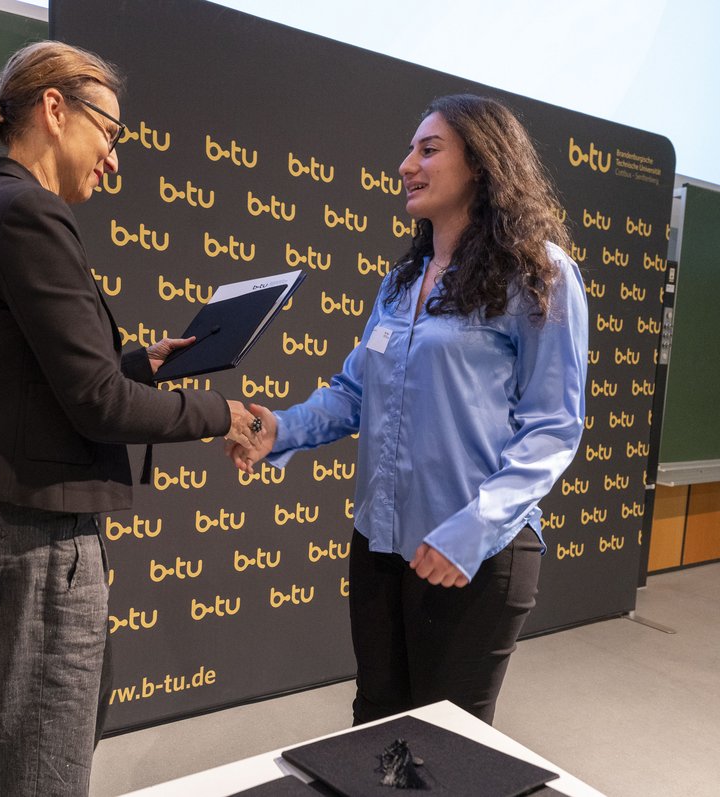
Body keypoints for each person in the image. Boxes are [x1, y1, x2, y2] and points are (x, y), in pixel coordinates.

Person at [0, 41, 258, 797]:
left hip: (12, 517)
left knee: (24, 742)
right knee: (40, 765)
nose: (114, 160)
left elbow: (45, 378)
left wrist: (141, 362)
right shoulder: (27, 214)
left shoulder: (1, 206)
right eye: (110, 134)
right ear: (55, 109)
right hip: (37, 531)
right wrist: (222, 412)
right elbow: (97, 404)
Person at [229, 94, 588, 725]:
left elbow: (553, 427)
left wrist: (474, 529)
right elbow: (354, 391)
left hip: (474, 554)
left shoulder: (539, 274)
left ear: (482, 162)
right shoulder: (400, 283)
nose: (405, 165)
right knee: (375, 726)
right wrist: (279, 429)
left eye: (428, 149)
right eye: (409, 149)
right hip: (381, 544)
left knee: (447, 750)